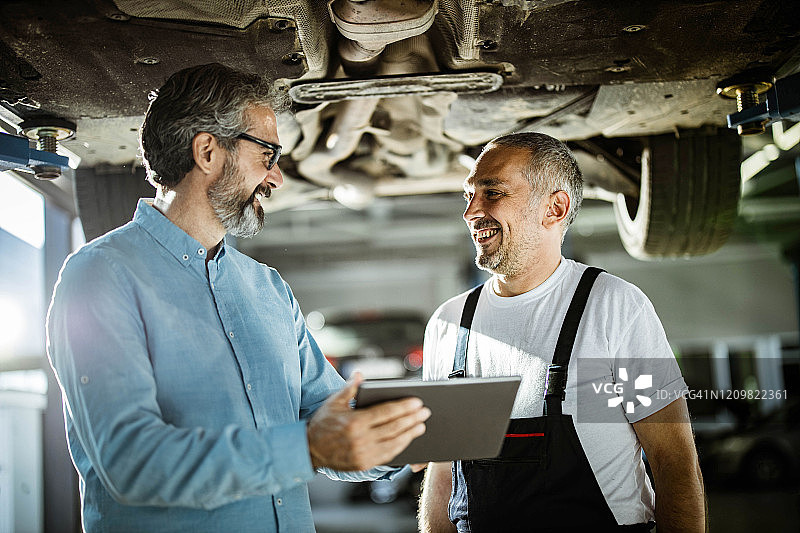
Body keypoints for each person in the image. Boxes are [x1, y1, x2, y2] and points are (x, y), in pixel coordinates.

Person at [46, 63, 430, 533]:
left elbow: (327, 422)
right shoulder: (100, 276)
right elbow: (133, 464)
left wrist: (400, 444)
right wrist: (305, 448)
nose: (276, 179)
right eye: (267, 154)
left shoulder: (267, 289)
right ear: (208, 151)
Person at [417, 132, 705, 533]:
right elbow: (443, 471)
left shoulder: (614, 306)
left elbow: (673, 458)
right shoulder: (448, 324)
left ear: (555, 207)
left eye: (493, 193)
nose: (471, 212)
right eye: (469, 195)